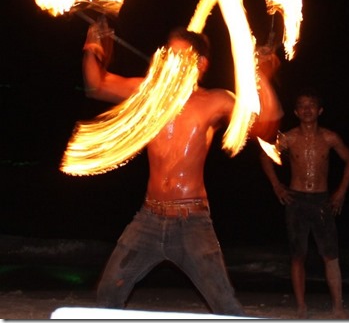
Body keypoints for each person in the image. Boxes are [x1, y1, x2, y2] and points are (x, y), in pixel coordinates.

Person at [81, 18, 281, 316]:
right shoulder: (149, 93)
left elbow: (266, 126)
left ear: (200, 63)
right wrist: (93, 45)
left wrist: (261, 75)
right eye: (168, 53)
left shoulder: (215, 100)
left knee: (225, 304)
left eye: (179, 54)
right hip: (148, 219)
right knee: (109, 291)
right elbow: (96, 85)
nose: (169, 59)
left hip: (192, 223)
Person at [260, 88, 349, 319]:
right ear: (296, 111)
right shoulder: (289, 137)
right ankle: (301, 307)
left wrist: (341, 191)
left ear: (319, 110)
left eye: (311, 105)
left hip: (322, 200)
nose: (307, 109)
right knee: (297, 255)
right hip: (296, 200)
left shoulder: (329, 137)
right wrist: (277, 186)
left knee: (330, 255)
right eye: (302, 105)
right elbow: (266, 156)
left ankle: (338, 307)